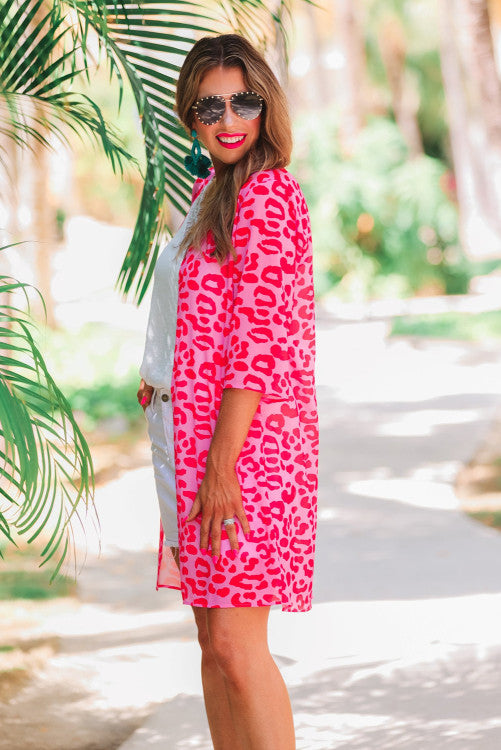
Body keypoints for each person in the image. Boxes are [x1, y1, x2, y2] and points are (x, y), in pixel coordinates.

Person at [137, 33, 318, 750]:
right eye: (209, 104)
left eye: (242, 99)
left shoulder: (268, 194)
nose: (228, 116)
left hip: (246, 455)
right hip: (196, 445)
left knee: (239, 649)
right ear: (190, 116)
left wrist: (219, 465)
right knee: (213, 644)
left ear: (265, 103)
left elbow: (255, 345)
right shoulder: (211, 192)